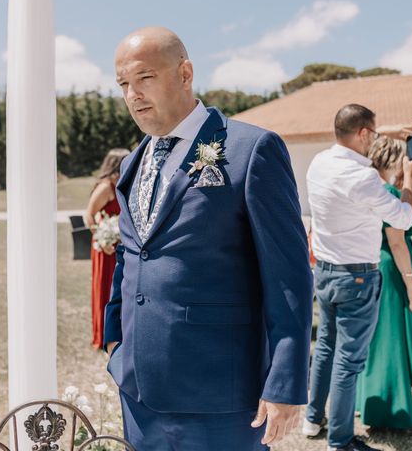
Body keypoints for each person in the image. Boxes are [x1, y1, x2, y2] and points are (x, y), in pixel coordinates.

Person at [103, 27, 313, 450]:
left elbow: (288, 275)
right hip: (140, 390)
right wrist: (114, 341)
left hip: (220, 394)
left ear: (185, 73)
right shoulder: (132, 164)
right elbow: (132, 252)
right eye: (124, 84)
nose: (133, 95)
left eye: (145, 78)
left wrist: (287, 380)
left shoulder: (250, 149)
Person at [303, 104, 412, 451]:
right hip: (357, 277)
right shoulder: (364, 178)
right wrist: (410, 177)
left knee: (325, 348)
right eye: (373, 133)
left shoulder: (319, 162)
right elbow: (403, 219)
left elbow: (360, 134)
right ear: (363, 134)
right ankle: (339, 440)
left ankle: (313, 419)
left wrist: (392, 130)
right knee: (349, 360)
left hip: (324, 271)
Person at [354, 136, 412, 429]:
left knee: (376, 339)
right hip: (392, 268)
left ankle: (367, 402)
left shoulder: (369, 187)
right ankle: (390, 408)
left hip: (377, 264)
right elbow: (397, 242)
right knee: (390, 338)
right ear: (396, 161)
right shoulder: (385, 191)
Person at [85, 148, 129, 349]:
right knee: (105, 288)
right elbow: (89, 215)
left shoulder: (121, 184)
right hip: (106, 249)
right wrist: (102, 237)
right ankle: (102, 334)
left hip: (119, 247)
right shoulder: (105, 188)